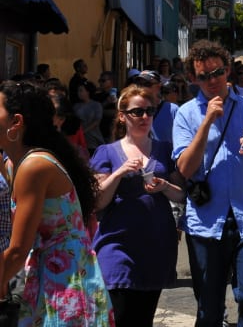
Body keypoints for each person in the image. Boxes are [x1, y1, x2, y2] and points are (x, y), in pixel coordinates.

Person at [172, 40, 243, 327]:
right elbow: (184, 168)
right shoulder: (186, 114)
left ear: (227, 70)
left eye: (217, 73)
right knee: (209, 308)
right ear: (193, 78)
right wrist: (206, 123)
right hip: (206, 222)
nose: (212, 81)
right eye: (203, 76)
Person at [0, 81, 114, 325]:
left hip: (65, 282)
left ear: (16, 122)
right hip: (47, 276)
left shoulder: (35, 165)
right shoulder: (13, 163)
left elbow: (18, 249)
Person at [90, 84, 186, 327]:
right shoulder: (106, 152)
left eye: (149, 111)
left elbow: (182, 195)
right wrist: (119, 173)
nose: (145, 117)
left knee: (143, 320)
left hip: (156, 246)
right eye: (137, 112)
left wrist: (164, 186)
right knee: (119, 318)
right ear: (122, 115)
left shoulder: (165, 149)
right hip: (117, 246)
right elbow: (98, 200)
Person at [74, 79, 104, 155]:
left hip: (94, 139)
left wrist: (84, 131)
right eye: (78, 91)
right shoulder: (76, 106)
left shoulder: (96, 105)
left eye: (81, 91)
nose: (79, 93)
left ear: (88, 92)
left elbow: (97, 121)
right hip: (81, 140)